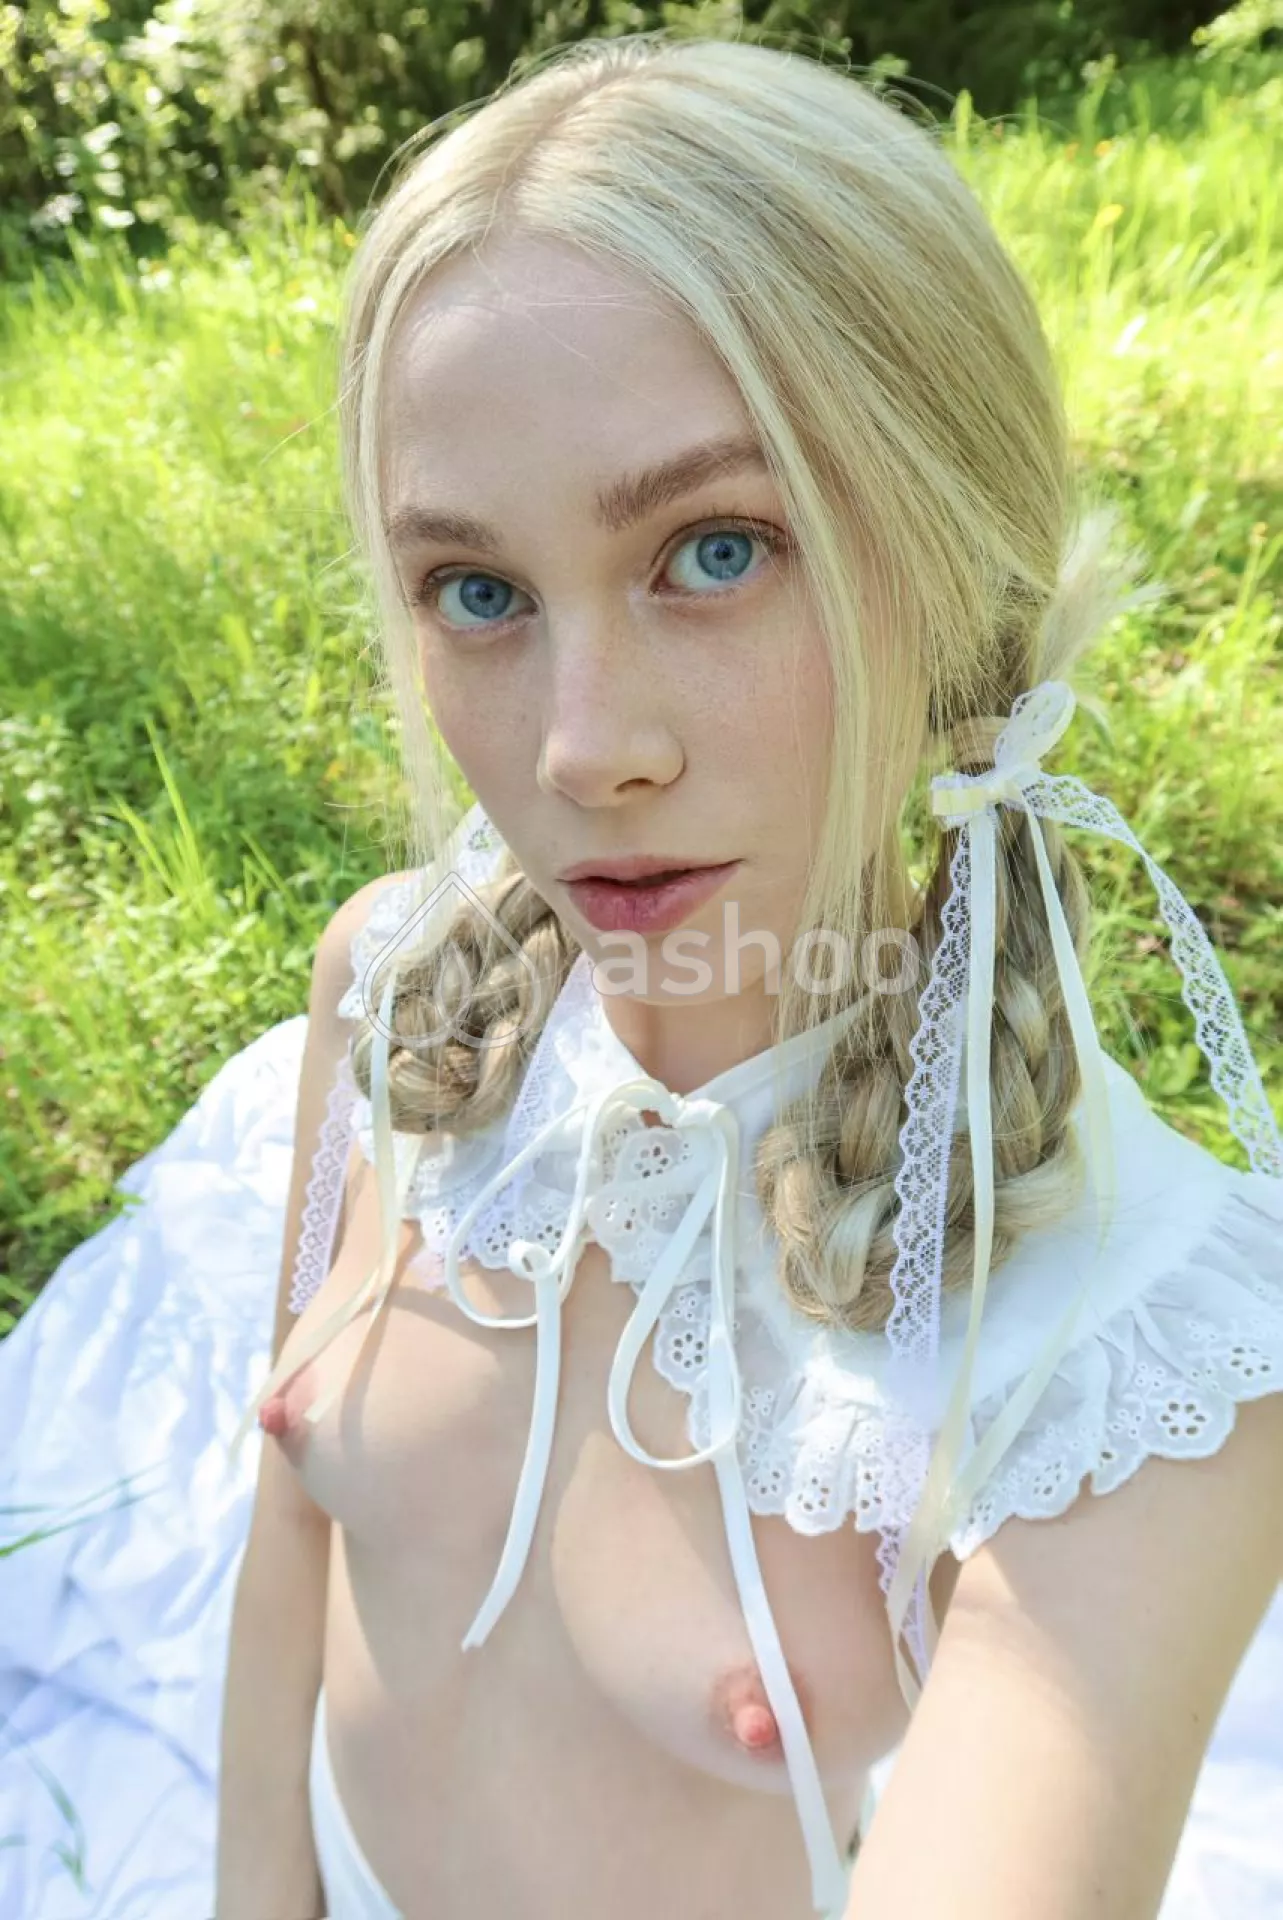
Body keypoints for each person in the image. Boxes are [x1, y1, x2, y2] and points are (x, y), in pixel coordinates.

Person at [2, 29, 1280, 1920]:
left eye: (715, 549)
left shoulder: (1138, 1354)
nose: (580, 751)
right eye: (478, 592)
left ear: (959, 557)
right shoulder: (400, 999)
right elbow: (296, 1551)